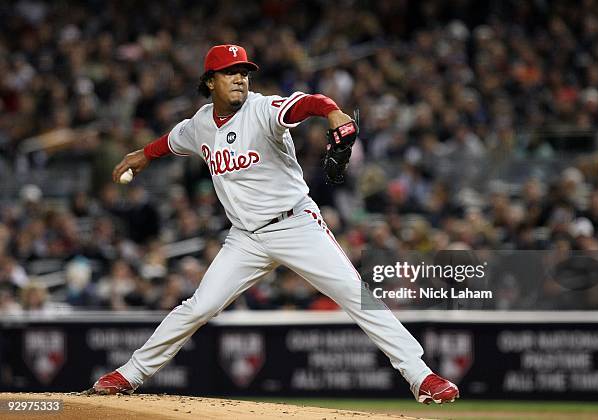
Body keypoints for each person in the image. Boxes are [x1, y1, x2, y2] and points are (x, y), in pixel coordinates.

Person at [90, 44, 459, 404]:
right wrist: (143, 154)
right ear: (209, 82)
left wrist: (331, 110)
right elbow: (172, 141)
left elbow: (302, 103)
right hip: (245, 239)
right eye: (230, 72)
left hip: (295, 225)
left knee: (355, 294)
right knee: (199, 306)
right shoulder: (202, 123)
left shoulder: (262, 109)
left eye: (244, 72)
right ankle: (130, 374)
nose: (239, 78)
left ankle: (420, 375)